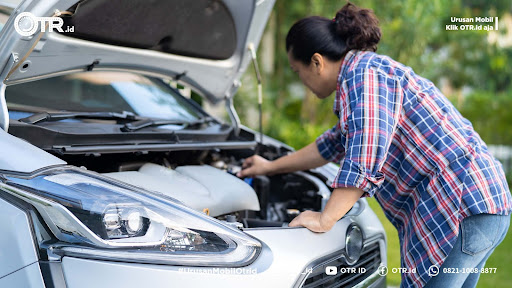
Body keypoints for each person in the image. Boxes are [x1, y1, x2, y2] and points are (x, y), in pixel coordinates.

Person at [236, 2, 512, 287]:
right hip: (479, 204)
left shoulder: (363, 77)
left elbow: (364, 154)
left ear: (317, 62)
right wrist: (269, 166)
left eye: (297, 71)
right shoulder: (365, 74)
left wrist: (325, 219)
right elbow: (331, 145)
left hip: (460, 206)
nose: (301, 80)